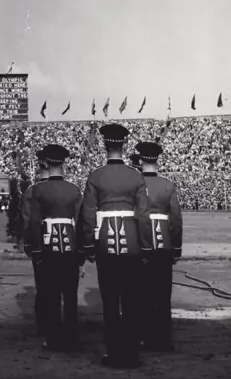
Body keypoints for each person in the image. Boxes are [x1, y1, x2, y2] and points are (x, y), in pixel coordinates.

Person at [78, 124, 152, 369]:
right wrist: (145, 247)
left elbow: (87, 214)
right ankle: (130, 352)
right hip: (132, 245)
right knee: (131, 301)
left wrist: (88, 244)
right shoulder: (135, 175)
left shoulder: (96, 176)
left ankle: (113, 351)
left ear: (104, 145)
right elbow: (143, 216)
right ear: (125, 146)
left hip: (105, 246)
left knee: (110, 302)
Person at [25, 144, 83, 352]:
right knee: (70, 295)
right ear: (63, 163)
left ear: (46, 163)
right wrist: (81, 250)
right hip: (70, 246)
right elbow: (81, 221)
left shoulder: (38, 190)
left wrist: (36, 249)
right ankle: (72, 337)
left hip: (48, 247)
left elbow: (33, 223)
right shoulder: (74, 190)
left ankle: (54, 338)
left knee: (50, 295)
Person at [136, 141, 183, 352]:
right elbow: (176, 220)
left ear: (141, 160)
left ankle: (144, 336)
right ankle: (164, 338)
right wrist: (176, 249)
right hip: (163, 243)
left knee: (142, 293)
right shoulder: (167, 185)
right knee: (163, 295)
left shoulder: (135, 184)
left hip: (141, 243)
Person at [22, 149, 49, 335]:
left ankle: (44, 323)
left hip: (40, 243)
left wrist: (28, 244)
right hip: (63, 242)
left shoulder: (32, 191)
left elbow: (27, 219)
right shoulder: (68, 188)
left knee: (43, 286)